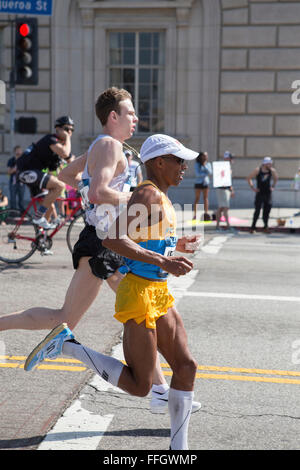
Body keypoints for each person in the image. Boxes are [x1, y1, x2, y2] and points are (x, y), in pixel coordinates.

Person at [0, 88, 199, 415]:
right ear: (113, 117)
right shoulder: (108, 144)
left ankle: (160, 390)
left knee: (143, 314)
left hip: (107, 240)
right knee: (66, 318)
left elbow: (66, 176)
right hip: (104, 243)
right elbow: (98, 189)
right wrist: (134, 196)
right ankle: (158, 389)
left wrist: (96, 195)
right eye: (130, 113)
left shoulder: (103, 146)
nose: (136, 118)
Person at [24, 134, 200, 450]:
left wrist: (175, 247)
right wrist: (163, 260)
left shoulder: (160, 194)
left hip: (158, 293)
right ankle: (68, 346)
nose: (184, 167)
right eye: (178, 160)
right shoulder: (147, 195)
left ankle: (179, 449)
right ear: (159, 163)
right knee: (140, 384)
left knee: (186, 367)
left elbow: (145, 237)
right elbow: (114, 240)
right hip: (139, 294)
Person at [16, 116, 74, 230]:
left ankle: (41, 239)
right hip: (26, 171)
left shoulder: (55, 149)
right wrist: (67, 138)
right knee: (59, 186)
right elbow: (66, 153)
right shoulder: (51, 139)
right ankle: (38, 217)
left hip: (33, 173)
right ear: (58, 129)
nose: (70, 132)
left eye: (72, 130)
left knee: (49, 204)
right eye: (67, 129)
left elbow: (69, 161)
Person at [247, 156, 278, 234]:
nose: (270, 165)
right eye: (269, 164)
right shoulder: (258, 170)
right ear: (265, 164)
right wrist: (253, 188)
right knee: (257, 210)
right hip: (260, 193)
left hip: (268, 193)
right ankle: (253, 227)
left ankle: (265, 227)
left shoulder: (272, 171)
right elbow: (249, 178)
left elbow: (276, 178)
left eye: (271, 164)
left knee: (267, 211)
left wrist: (273, 186)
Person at [216, 151, 235, 232]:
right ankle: (227, 225)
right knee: (224, 208)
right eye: (230, 158)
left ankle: (219, 225)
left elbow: (228, 180)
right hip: (222, 189)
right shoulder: (223, 166)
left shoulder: (227, 166)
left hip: (225, 189)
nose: (231, 159)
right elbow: (223, 179)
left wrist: (231, 189)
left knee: (221, 208)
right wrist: (231, 189)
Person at [193, 151, 212, 221]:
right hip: (198, 183)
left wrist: (204, 166)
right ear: (201, 156)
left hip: (205, 183)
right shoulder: (197, 164)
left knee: (205, 198)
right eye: (204, 156)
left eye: (206, 156)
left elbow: (210, 172)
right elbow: (197, 174)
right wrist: (205, 173)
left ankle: (206, 213)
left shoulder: (208, 164)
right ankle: (195, 214)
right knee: (197, 198)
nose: (206, 157)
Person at [7, 145, 26, 213]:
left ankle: (22, 212)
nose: (19, 152)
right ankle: (13, 212)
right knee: (13, 198)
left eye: (20, 150)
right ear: (14, 151)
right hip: (13, 182)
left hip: (21, 182)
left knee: (21, 199)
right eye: (17, 150)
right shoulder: (11, 160)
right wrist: (14, 169)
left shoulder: (24, 160)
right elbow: (9, 172)